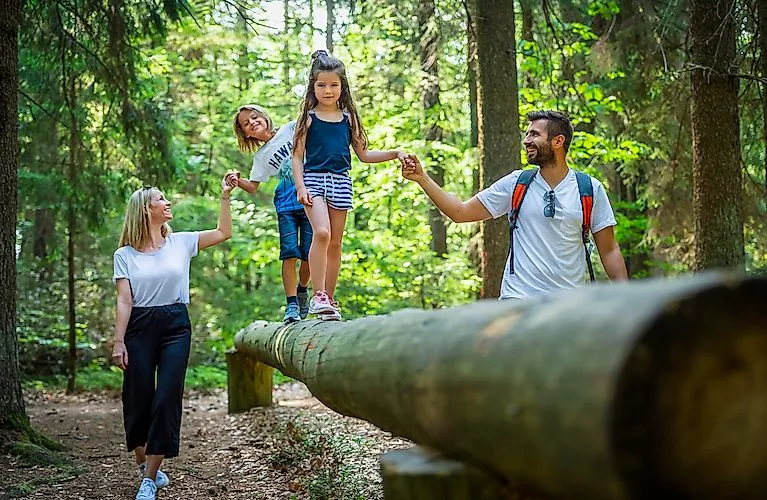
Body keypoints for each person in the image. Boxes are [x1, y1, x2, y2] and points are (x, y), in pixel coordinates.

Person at [401, 110, 628, 299]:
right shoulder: (516, 184)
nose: (526, 140)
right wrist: (423, 178)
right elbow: (460, 212)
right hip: (518, 302)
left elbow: (608, 250)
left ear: (558, 141)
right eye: (526, 134)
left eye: (534, 134)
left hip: (568, 306)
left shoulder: (589, 188)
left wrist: (627, 302)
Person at [111, 175, 238, 500]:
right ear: (145, 210)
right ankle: (144, 461)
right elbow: (125, 301)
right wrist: (119, 341)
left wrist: (224, 195)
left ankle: (149, 480)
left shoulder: (180, 242)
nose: (168, 203)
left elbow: (224, 232)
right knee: (138, 397)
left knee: (167, 395)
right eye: (161, 199)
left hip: (175, 325)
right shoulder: (125, 254)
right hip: (139, 326)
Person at [292, 50, 409, 320]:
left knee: (335, 243)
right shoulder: (308, 118)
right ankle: (317, 294)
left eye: (333, 85)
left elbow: (364, 155)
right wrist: (300, 187)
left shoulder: (348, 119)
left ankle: (329, 301)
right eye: (321, 85)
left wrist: (395, 153)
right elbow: (297, 157)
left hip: (341, 182)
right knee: (322, 233)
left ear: (342, 87)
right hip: (314, 180)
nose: (328, 90)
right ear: (313, 86)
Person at [229, 104, 312, 324]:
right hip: (286, 203)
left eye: (255, 117)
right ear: (246, 133)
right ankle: (292, 304)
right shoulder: (261, 157)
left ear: (264, 116)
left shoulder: (291, 129)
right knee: (289, 253)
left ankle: (302, 290)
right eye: (247, 124)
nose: (253, 122)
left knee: (309, 254)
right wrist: (237, 181)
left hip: (311, 198)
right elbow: (253, 186)